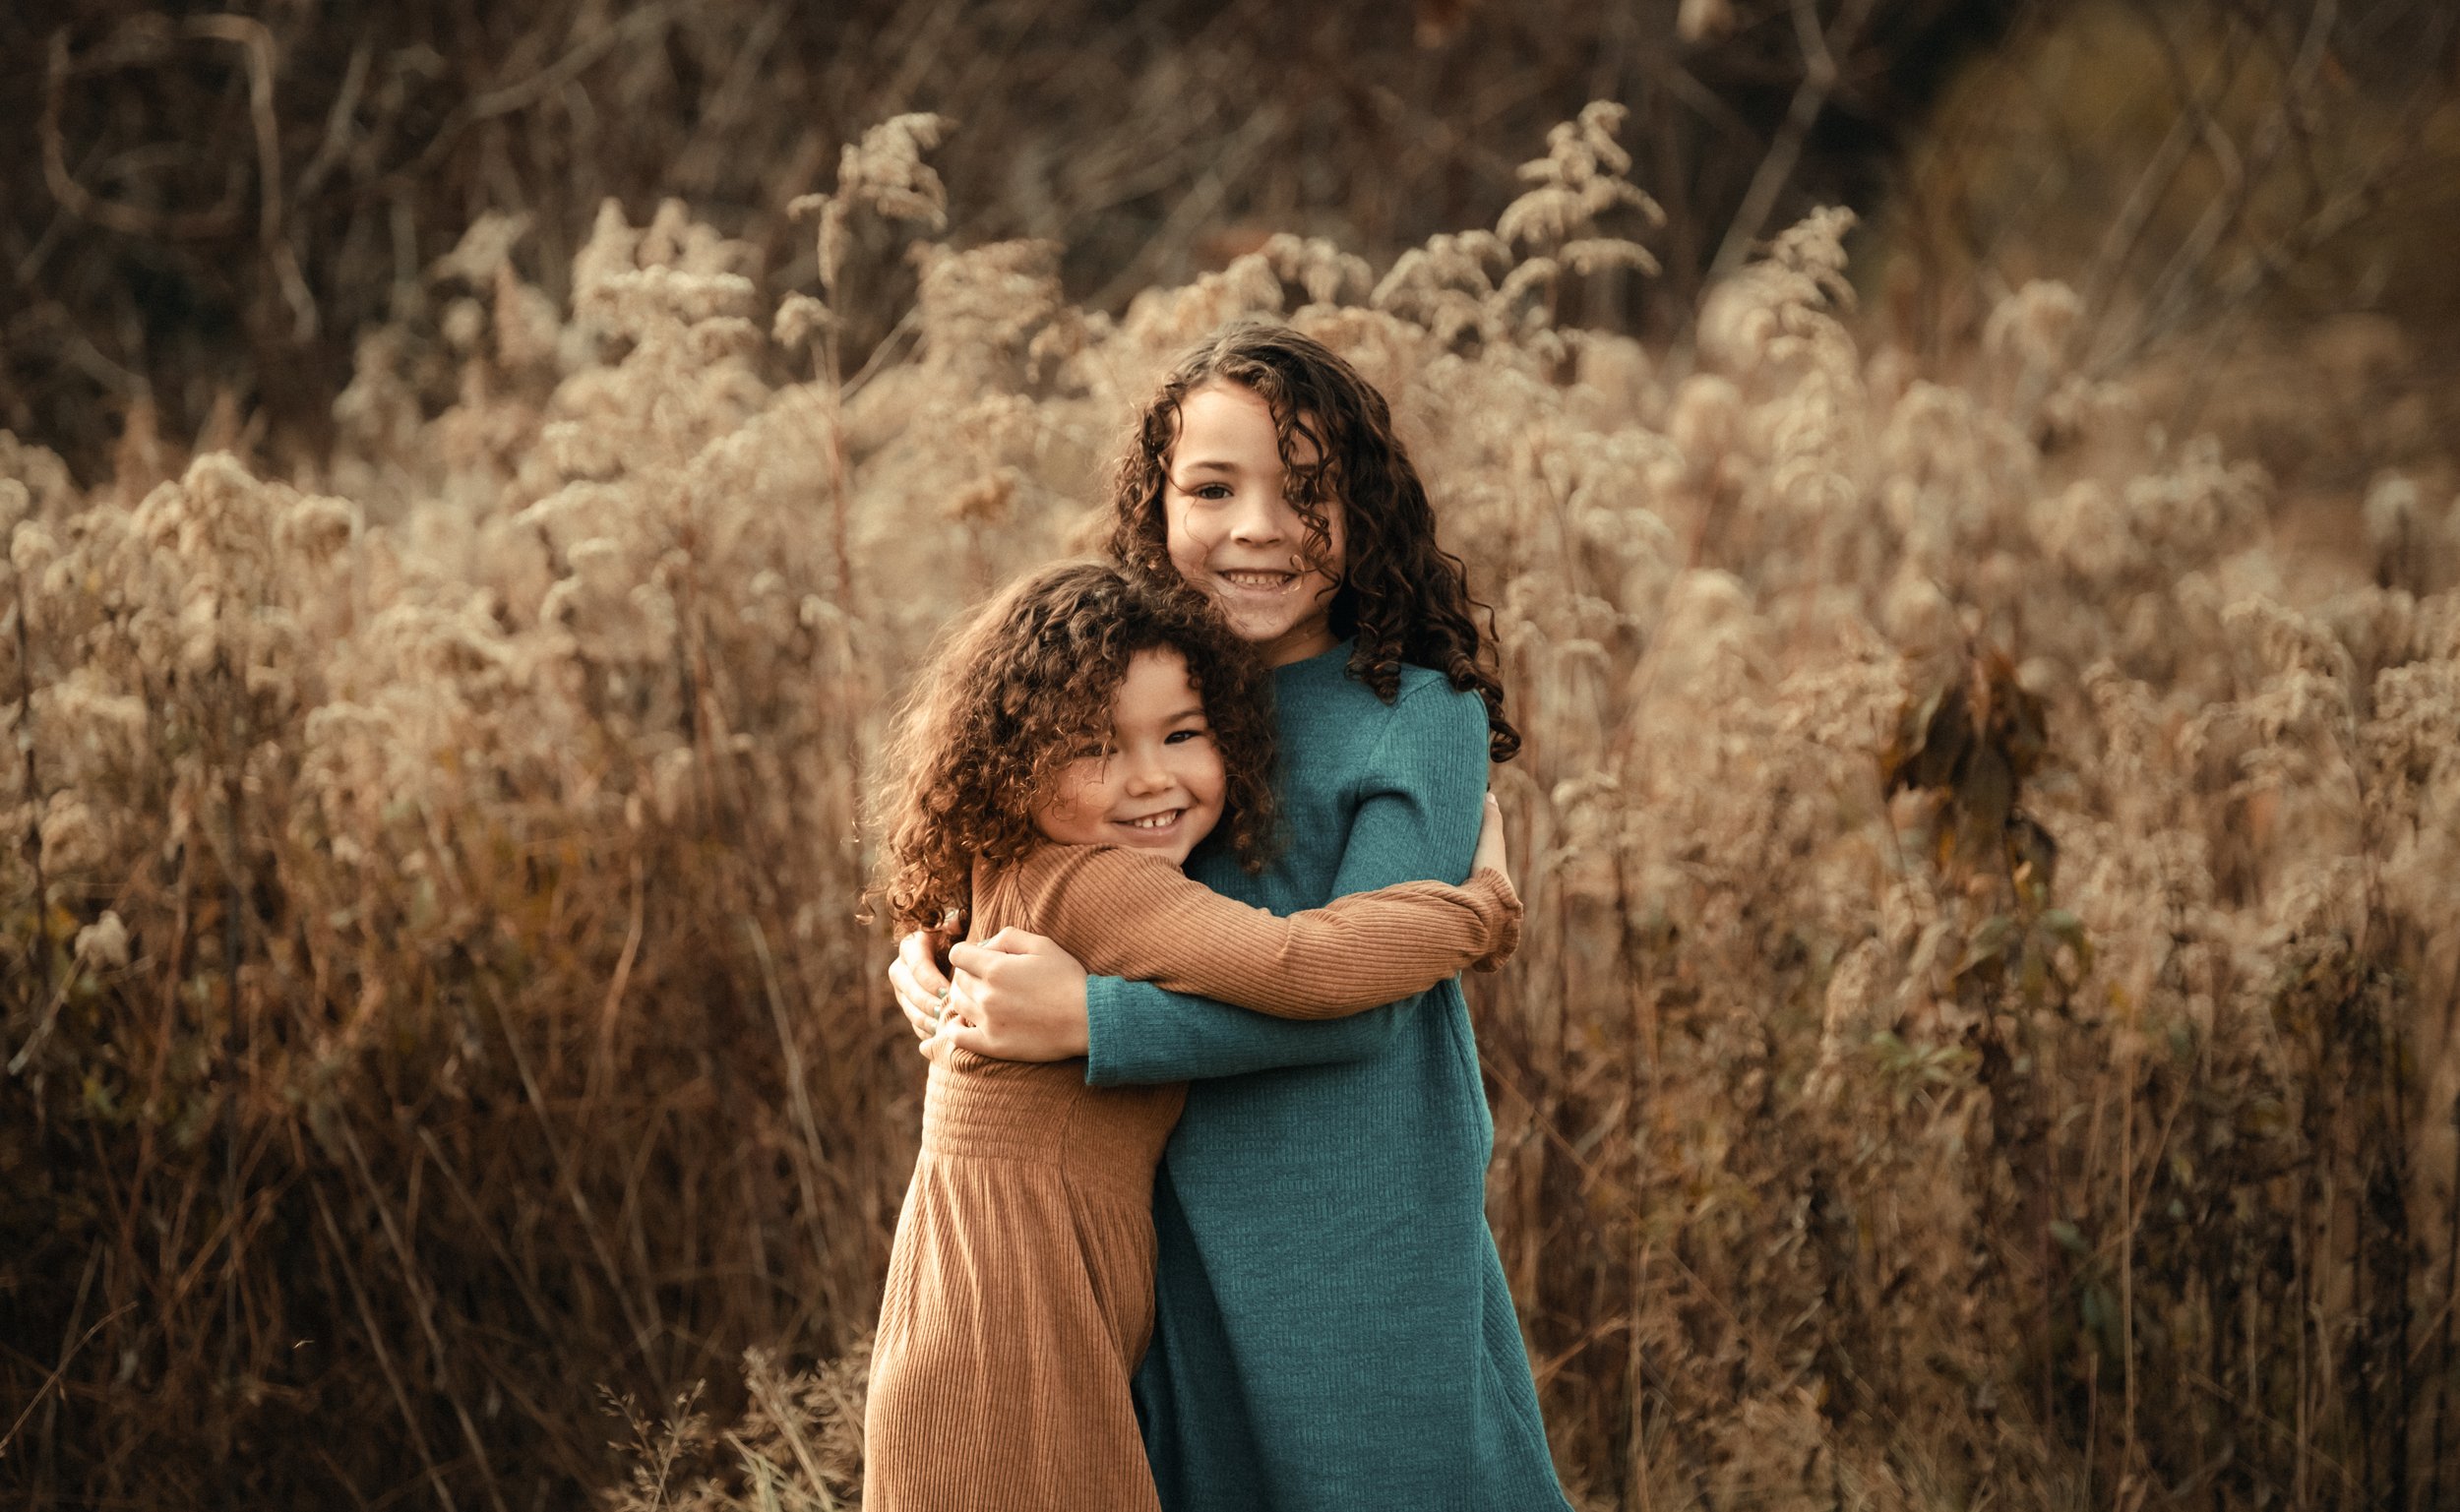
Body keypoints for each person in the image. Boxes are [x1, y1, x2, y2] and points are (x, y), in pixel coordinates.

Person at [892, 324, 1574, 1511]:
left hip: (1353, 1202)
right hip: (1171, 1202)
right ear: (1156, 501)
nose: (1258, 527)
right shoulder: (1149, 682)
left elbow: (1364, 1008)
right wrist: (935, 950)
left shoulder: (1414, 711)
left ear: (1366, 510)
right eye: (1214, 488)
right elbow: (1024, 845)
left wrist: (1097, 1025)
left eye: (1306, 491)